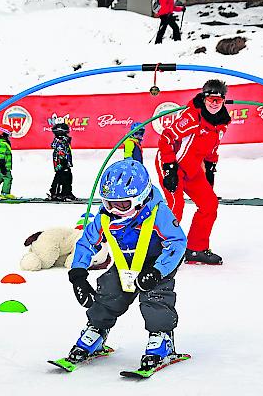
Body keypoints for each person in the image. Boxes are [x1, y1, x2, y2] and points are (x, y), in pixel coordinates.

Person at [64, 159, 186, 371]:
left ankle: (162, 338)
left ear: (140, 198)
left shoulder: (158, 213)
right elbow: (87, 242)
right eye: (109, 203)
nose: (115, 210)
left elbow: (177, 242)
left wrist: (158, 271)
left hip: (156, 265)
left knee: (155, 298)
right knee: (109, 293)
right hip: (124, 263)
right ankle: (97, 330)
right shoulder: (105, 217)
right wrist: (78, 275)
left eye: (123, 205)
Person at [155, 79, 230, 265]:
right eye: (211, 99)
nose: (214, 104)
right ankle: (160, 249)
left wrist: (211, 168)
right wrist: (170, 168)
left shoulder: (221, 124)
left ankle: (196, 249)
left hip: (193, 167)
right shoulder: (192, 118)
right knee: (176, 205)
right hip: (172, 163)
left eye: (218, 101)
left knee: (209, 204)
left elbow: (212, 149)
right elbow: (166, 138)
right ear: (204, 99)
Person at [48, 122, 76, 201]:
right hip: (60, 162)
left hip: (65, 162)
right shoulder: (58, 141)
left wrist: (69, 162)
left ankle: (67, 192)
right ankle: (56, 193)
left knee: (68, 176)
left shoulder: (65, 140)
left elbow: (67, 152)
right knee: (60, 176)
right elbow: (54, 146)